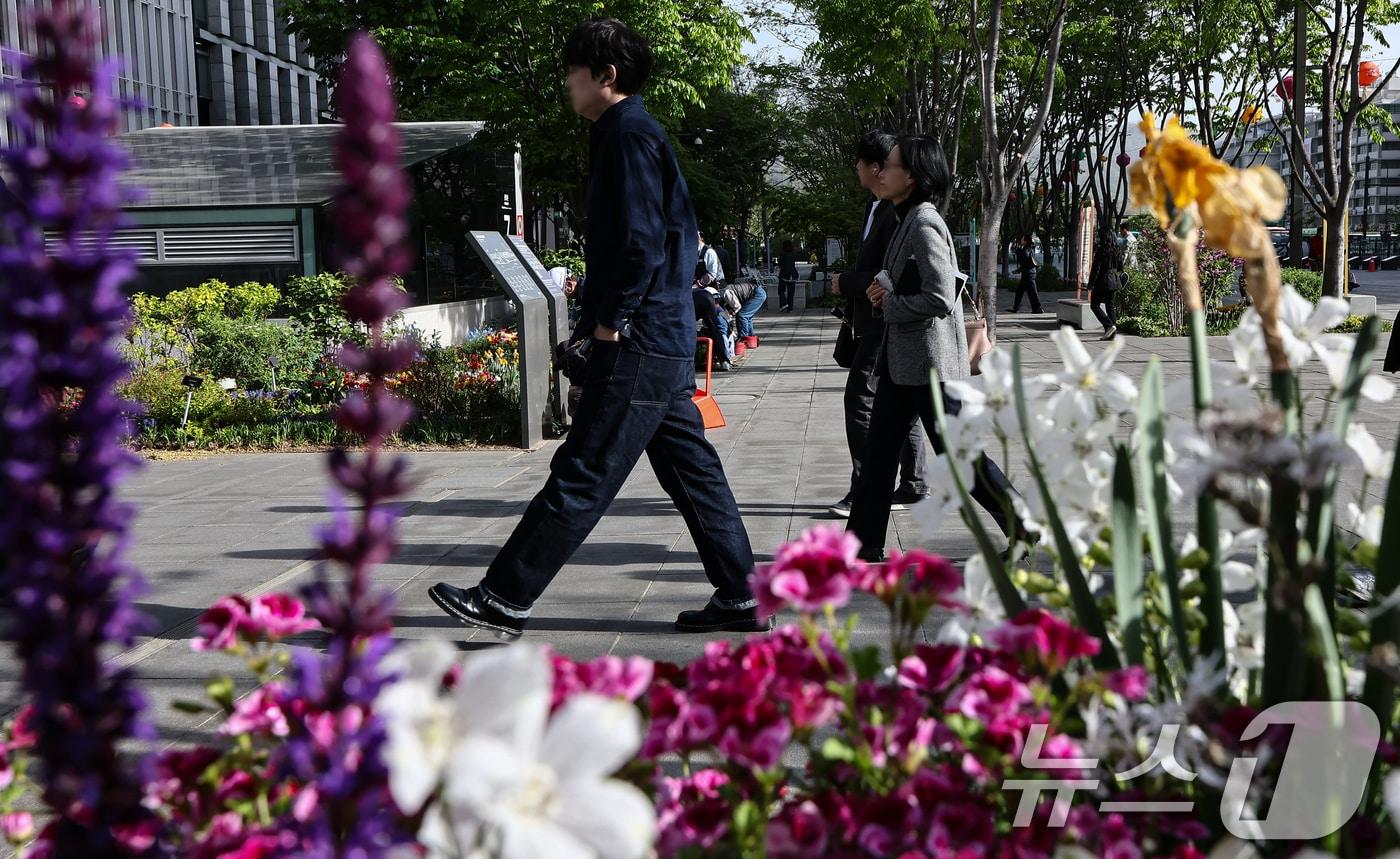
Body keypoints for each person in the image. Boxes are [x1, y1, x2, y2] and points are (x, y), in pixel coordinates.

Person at [428, 18, 766, 637]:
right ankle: (742, 596)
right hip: (660, 339)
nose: (566, 83)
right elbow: (668, 241)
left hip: (637, 342)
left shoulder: (628, 136)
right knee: (694, 472)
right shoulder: (634, 133)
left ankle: (505, 597)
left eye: (572, 71)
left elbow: (640, 244)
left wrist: (609, 325)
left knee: (584, 469)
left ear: (604, 76)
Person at [847, 135, 1025, 562]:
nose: (881, 172)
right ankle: (861, 546)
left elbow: (941, 297)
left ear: (911, 175)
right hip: (904, 362)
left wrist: (890, 304)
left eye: (889, 165)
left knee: (961, 455)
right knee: (877, 456)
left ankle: (1024, 526)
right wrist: (882, 289)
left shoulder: (924, 222)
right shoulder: (903, 215)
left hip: (929, 365)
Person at [827, 130, 926, 520]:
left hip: (888, 321)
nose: (866, 172)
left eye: (887, 167)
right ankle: (912, 483)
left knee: (861, 401)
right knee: (903, 404)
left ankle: (867, 488)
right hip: (878, 320)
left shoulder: (909, 215)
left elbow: (894, 275)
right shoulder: (880, 208)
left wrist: (845, 282)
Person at [1088, 227, 1125, 340]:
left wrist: (1091, 283)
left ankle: (1109, 326)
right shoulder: (1117, 250)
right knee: (1110, 306)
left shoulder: (1102, 250)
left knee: (1094, 304)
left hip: (1103, 280)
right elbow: (1121, 267)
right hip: (1114, 279)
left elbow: (1096, 268)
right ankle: (1111, 334)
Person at [1010, 234, 1043, 313]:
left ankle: (1037, 308)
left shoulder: (1026, 250)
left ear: (1025, 241)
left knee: (1032, 292)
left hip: (1028, 274)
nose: (1021, 241)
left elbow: (1024, 262)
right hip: (1029, 273)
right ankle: (1016, 308)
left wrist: (1018, 252)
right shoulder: (1030, 249)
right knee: (1021, 291)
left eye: (1022, 239)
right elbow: (1027, 262)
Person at [777, 240, 800, 311]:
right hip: (793, 274)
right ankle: (790, 308)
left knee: (781, 290)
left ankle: (784, 304)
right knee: (791, 292)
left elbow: (780, 264)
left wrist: (778, 260)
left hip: (784, 274)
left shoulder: (782, 253)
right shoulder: (793, 253)